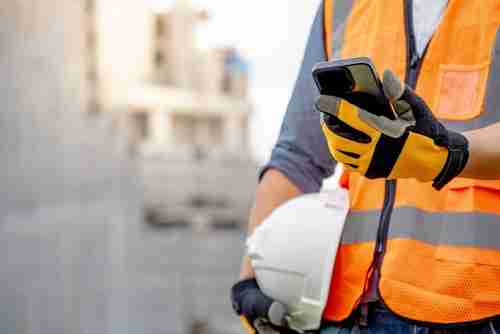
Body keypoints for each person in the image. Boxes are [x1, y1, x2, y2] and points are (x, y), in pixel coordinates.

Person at [231, 0, 500, 333]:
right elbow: (297, 156)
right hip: (348, 312)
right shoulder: (341, 5)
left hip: (477, 310)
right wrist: (250, 273)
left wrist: (448, 154)